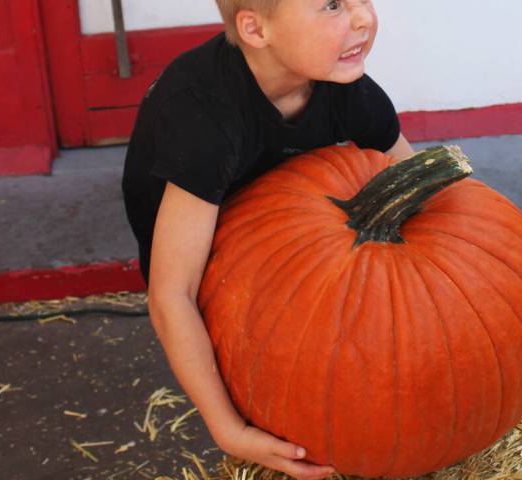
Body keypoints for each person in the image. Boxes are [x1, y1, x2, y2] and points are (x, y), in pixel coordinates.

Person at [122, 1, 414, 478]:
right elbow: (171, 294)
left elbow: (415, 177)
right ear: (256, 30)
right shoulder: (204, 118)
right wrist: (226, 428)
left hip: (280, 211)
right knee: (257, 348)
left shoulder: (348, 89)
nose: (364, 18)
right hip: (206, 238)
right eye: (333, 5)